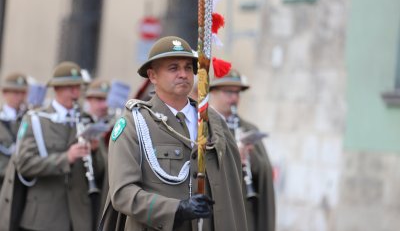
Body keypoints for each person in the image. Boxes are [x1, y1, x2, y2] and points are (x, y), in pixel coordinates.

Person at [100, 36, 247, 231]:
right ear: (152, 76)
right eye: (173, 68)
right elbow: (123, 193)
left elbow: (231, 192)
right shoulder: (134, 123)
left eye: (188, 67)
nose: (183, 74)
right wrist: (176, 209)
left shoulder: (213, 122)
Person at [14, 61, 104, 231]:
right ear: (56, 89)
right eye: (70, 87)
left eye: (79, 87)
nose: (76, 93)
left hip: (79, 218)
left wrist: (95, 152)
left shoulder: (87, 120)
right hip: (43, 219)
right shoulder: (36, 119)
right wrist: (66, 158)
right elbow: (24, 163)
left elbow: (100, 173)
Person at [209, 69, 276, 231]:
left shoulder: (248, 128)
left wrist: (249, 158)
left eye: (238, 93)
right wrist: (232, 158)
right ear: (213, 92)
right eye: (228, 92)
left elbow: (265, 171)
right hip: (216, 210)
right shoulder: (202, 125)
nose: (234, 98)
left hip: (245, 211)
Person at [84, 78, 111, 219]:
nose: (104, 105)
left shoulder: (112, 124)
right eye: (99, 100)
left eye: (106, 100)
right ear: (89, 100)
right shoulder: (82, 123)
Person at [0, 73, 28, 189]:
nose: (20, 97)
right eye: (16, 93)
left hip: (23, 179)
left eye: (23, 93)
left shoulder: (29, 117)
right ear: (5, 93)